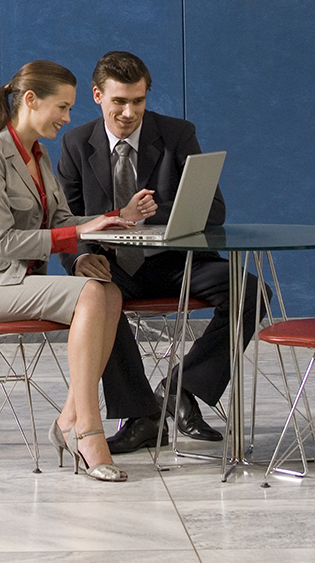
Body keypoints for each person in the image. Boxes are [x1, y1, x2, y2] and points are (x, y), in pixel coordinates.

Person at [0, 60, 157, 482]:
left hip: (18, 282)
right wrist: (79, 232)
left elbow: (62, 220)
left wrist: (117, 217)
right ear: (30, 100)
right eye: (62, 107)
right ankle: (87, 431)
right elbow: (3, 243)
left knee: (109, 291)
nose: (67, 118)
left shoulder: (39, 156)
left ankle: (68, 420)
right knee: (92, 293)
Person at [56, 50, 265, 454]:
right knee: (96, 298)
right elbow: (65, 219)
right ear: (97, 96)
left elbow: (214, 210)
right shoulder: (76, 143)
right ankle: (142, 418)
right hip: (112, 266)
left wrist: (148, 215)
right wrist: (79, 258)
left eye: (138, 101)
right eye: (119, 101)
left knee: (251, 291)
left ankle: (181, 388)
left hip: (176, 263)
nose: (129, 112)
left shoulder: (177, 134)